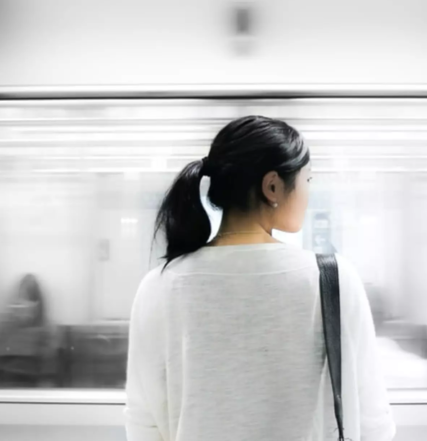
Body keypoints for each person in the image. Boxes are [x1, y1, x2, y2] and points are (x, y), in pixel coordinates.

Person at [124, 116, 396, 441]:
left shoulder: (159, 286)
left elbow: (144, 424)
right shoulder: (333, 279)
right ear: (272, 186)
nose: (309, 192)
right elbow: (372, 421)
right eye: (308, 180)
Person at [0, 274, 58, 388]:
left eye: (29, 301)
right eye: (19, 301)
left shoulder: (47, 331)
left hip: (32, 391)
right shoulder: (2, 325)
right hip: (2, 388)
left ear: (37, 305)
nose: (23, 306)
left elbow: (48, 374)